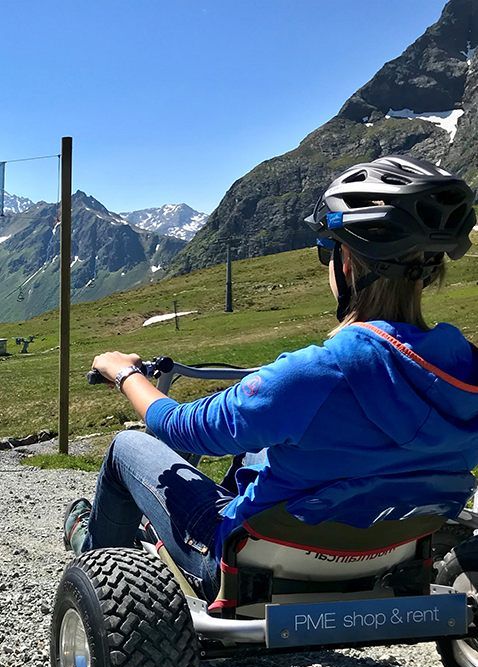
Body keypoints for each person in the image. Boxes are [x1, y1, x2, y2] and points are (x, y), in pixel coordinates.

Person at [64, 155, 478, 605]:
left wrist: (124, 372)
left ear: (350, 264)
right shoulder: (468, 367)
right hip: (388, 555)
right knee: (256, 452)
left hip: (252, 564)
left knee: (129, 447)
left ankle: (98, 562)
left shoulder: (317, 372)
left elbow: (181, 427)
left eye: (328, 249)